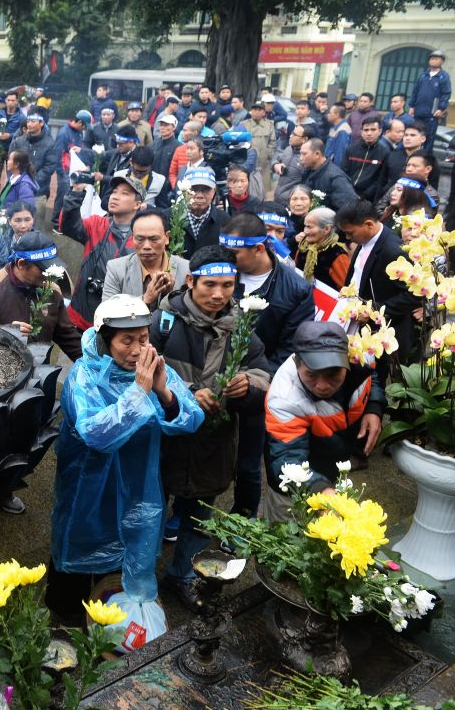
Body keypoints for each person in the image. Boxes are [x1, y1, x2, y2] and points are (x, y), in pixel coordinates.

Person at [46, 293, 202, 621]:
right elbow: (97, 434)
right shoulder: (83, 376)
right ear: (105, 340)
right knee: (76, 563)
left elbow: (190, 419)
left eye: (143, 339)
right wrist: (138, 392)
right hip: (89, 488)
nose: (135, 350)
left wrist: (163, 391)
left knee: (126, 555)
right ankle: (65, 624)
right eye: (125, 340)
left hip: (139, 486)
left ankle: (112, 628)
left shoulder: (151, 369)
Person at [148, 246, 271, 607]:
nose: (219, 294)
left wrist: (248, 385)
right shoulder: (163, 322)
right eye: (210, 285)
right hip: (165, 436)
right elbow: (140, 370)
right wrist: (186, 394)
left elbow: (264, 373)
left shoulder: (243, 328)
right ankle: (140, 573)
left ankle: (183, 576)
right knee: (152, 508)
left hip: (214, 443)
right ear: (191, 281)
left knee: (200, 516)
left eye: (228, 286)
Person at [220, 211, 314, 519]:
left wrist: (256, 383)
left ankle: (243, 515)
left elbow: (290, 349)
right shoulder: (223, 274)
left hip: (258, 388)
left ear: (259, 249)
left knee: (248, 460)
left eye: (234, 254)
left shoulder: (295, 289)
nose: (227, 259)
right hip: (214, 376)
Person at [264, 321, 385, 521]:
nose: (322, 385)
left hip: (332, 467)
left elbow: (371, 375)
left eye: (332, 375)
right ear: (296, 362)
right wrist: (322, 490)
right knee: (287, 540)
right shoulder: (284, 398)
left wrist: (374, 407)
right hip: (293, 488)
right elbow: (287, 460)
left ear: (348, 361)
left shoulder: (359, 357)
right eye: (311, 375)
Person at [0, 230, 82, 360]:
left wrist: (95, 366)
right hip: (0, 373)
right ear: (21, 264)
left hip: (40, 373)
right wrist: (4, 333)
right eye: (44, 269)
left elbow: (67, 336)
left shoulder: (52, 290)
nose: (50, 274)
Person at [59, 174, 143, 329]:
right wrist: (76, 192)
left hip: (118, 324)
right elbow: (67, 226)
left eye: (124, 193)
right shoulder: (96, 224)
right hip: (80, 318)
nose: (115, 197)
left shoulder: (142, 239)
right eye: (114, 192)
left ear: (137, 204)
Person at [337, 200, 419, 356]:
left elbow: (412, 296)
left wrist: (373, 310)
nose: (347, 237)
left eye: (350, 233)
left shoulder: (393, 251)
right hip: (357, 328)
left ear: (368, 224)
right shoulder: (365, 240)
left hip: (384, 335)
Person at [102, 209, 190, 311]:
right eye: (140, 239)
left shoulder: (186, 269)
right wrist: (145, 299)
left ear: (167, 238)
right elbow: (105, 312)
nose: (146, 246)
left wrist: (171, 296)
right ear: (132, 238)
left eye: (154, 239)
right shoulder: (116, 268)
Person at [294, 207, 349, 289]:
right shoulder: (304, 247)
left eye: (309, 227)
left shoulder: (337, 255)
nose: (305, 231)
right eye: (305, 226)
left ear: (327, 229)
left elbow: (346, 289)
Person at [299, 138, 358, 212]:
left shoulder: (336, 177)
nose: (300, 158)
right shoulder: (307, 171)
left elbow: (349, 208)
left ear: (317, 154)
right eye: (300, 153)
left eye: (304, 154)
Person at [408, 49, 451, 148]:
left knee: (429, 137)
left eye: (436, 59)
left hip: (432, 113)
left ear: (442, 61)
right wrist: (411, 106)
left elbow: (446, 93)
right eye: (431, 59)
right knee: (415, 135)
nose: (433, 61)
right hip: (418, 111)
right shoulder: (423, 75)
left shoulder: (443, 77)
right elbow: (415, 91)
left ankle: (425, 158)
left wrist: (441, 108)